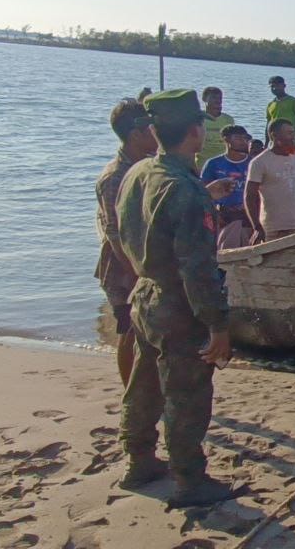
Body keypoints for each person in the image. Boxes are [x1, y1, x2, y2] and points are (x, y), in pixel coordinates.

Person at [116, 88, 238, 507]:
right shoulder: (185, 190)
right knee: (187, 395)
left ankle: (139, 460)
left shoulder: (138, 172)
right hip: (178, 305)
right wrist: (217, 325)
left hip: (144, 295)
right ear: (195, 132)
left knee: (145, 383)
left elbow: (126, 230)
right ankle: (190, 479)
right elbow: (198, 269)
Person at [96, 99, 157, 386]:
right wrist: (134, 271)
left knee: (148, 329)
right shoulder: (115, 176)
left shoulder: (147, 166)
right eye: (149, 128)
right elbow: (113, 231)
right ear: (135, 136)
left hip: (144, 260)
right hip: (123, 267)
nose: (155, 132)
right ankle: (129, 391)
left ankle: (146, 387)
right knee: (129, 329)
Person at [246, 119, 295, 243]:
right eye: (289, 133)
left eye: (294, 133)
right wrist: (257, 227)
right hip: (272, 228)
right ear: (274, 135)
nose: (293, 137)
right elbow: (249, 196)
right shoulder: (260, 162)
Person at [200, 125, 253, 250]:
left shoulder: (253, 163)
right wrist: (215, 215)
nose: (243, 142)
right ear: (226, 140)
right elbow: (203, 192)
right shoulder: (214, 164)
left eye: (245, 138)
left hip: (247, 217)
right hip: (223, 216)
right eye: (238, 138)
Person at [265, 75, 295, 152]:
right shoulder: (270, 104)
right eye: (272, 86)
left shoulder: (293, 102)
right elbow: (268, 125)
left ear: (284, 86)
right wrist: (266, 142)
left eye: (277, 86)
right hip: (274, 143)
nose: (274, 88)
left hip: (290, 142)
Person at [196, 87, 235, 170]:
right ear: (204, 99)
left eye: (220, 98)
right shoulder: (197, 118)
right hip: (201, 163)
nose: (218, 101)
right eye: (214, 97)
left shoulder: (228, 120)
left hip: (222, 164)